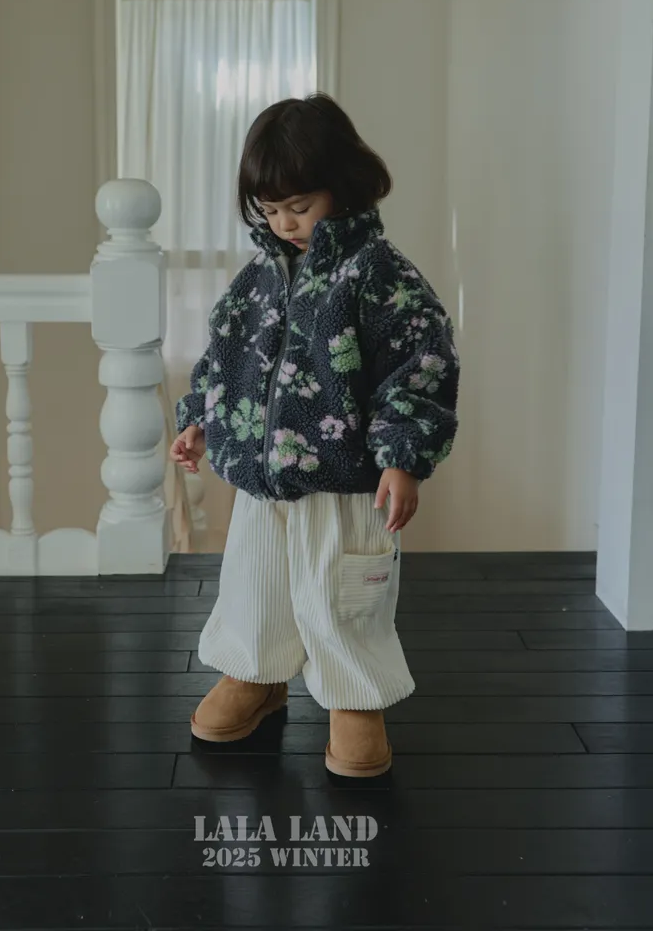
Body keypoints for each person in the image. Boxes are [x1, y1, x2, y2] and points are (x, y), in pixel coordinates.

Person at [170, 93, 459, 778]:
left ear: (343, 185)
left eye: (299, 206)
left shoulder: (381, 276)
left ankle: (355, 698)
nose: (284, 223)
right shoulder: (256, 280)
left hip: (346, 482)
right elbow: (225, 357)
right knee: (254, 585)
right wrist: (200, 417)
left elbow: (419, 368)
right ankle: (255, 674)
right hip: (260, 480)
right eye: (270, 210)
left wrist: (403, 460)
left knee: (342, 597)